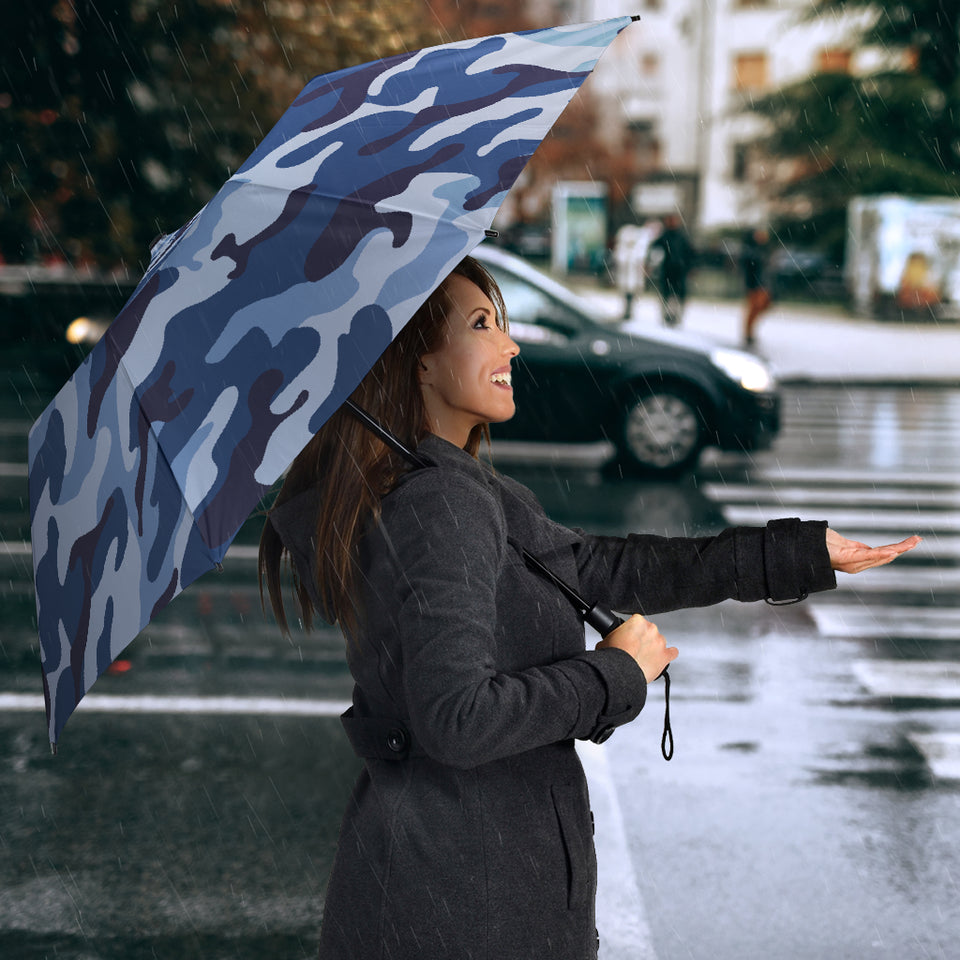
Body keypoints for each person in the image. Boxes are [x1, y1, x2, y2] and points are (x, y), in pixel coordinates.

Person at [258, 256, 919, 960]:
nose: (510, 345)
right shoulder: (440, 504)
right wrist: (614, 673)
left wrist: (796, 554)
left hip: (453, 883)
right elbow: (456, 719)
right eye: (483, 325)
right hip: (466, 902)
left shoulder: (449, 488)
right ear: (416, 362)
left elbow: (603, 567)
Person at [648, 213, 695, 327]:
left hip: (679, 271)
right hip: (668, 270)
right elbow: (654, 249)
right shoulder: (665, 236)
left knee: (677, 295)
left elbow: (690, 253)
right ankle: (667, 315)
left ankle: (675, 316)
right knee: (667, 294)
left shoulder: (681, 237)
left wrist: (690, 267)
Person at [741, 226, 773, 347]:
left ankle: (750, 331)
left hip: (763, 283)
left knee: (762, 306)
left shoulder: (763, 249)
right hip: (755, 284)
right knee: (754, 308)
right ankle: (748, 333)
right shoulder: (751, 250)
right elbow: (750, 265)